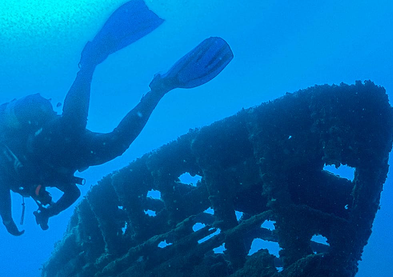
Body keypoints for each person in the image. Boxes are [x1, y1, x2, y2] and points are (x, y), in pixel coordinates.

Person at [0, 0, 233, 236]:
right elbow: (73, 193)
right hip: (68, 155)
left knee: (72, 126)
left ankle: (88, 63)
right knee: (116, 145)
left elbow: (2, 198)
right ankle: (160, 88)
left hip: (40, 142)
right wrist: (50, 211)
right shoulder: (32, 181)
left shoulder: (6, 168)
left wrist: (9, 222)